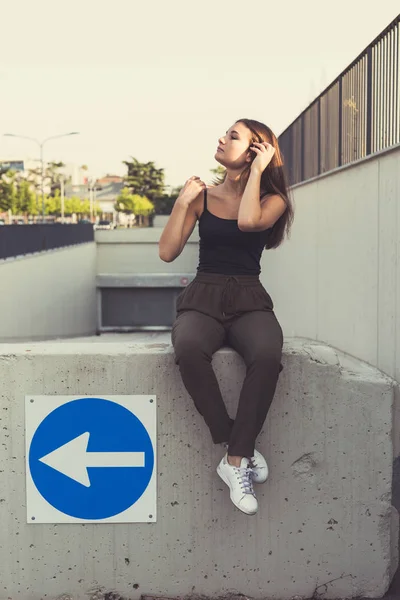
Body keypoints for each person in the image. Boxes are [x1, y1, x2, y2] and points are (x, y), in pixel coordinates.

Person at [159, 118, 294, 515]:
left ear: (255, 152)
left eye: (232, 136)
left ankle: (236, 461)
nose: (221, 139)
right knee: (187, 347)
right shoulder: (202, 196)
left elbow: (248, 222)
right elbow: (167, 252)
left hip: (249, 297)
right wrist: (184, 202)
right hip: (204, 295)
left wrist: (255, 174)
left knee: (268, 354)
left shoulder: (274, 201)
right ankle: (236, 445)